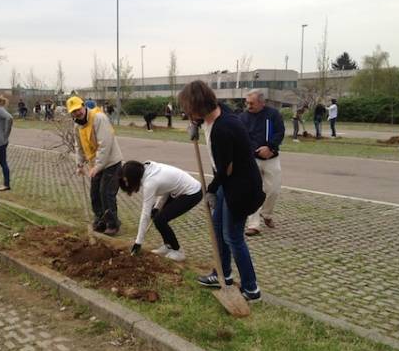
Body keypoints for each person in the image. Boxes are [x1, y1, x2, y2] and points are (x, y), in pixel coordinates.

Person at [179, 80, 264, 301]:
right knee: (218, 230)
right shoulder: (216, 115)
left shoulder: (223, 128)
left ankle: (251, 289)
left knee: (233, 237)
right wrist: (196, 127)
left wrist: (210, 190)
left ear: (198, 107)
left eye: (189, 110)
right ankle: (222, 274)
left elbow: (227, 168)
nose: (187, 114)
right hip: (228, 183)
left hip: (240, 188)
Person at [120, 160, 202, 262]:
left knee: (160, 220)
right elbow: (166, 187)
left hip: (192, 193)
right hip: (175, 190)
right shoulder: (148, 167)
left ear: (134, 177)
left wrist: (138, 242)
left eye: (127, 180)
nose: (127, 184)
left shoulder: (150, 182)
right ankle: (168, 245)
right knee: (157, 216)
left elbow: (145, 213)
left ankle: (178, 251)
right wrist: (157, 207)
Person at [68, 95, 122, 235]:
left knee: (106, 193)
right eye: (73, 112)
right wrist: (79, 164)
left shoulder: (99, 118)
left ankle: (113, 224)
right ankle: (100, 221)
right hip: (96, 164)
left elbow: (105, 145)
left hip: (111, 162)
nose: (77, 113)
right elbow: (78, 146)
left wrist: (97, 167)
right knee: (94, 194)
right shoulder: (77, 125)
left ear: (84, 106)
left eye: (78, 109)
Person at [239, 89, 285, 236]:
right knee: (253, 191)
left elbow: (280, 132)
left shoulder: (273, 114)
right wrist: (255, 151)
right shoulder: (242, 118)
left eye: (251, 103)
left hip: (272, 157)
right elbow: (242, 137)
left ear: (262, 102)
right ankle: (253, 224)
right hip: (252, 159)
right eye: (247, 102)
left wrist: (270, 147)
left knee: (274, 189)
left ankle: (266, 214)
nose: (248, 105)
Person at [0, 96, 13, 191]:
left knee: (3, 162)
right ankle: (2, 183)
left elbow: (9, 118)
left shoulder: (0, 110)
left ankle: (6, 184)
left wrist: (6, 134)